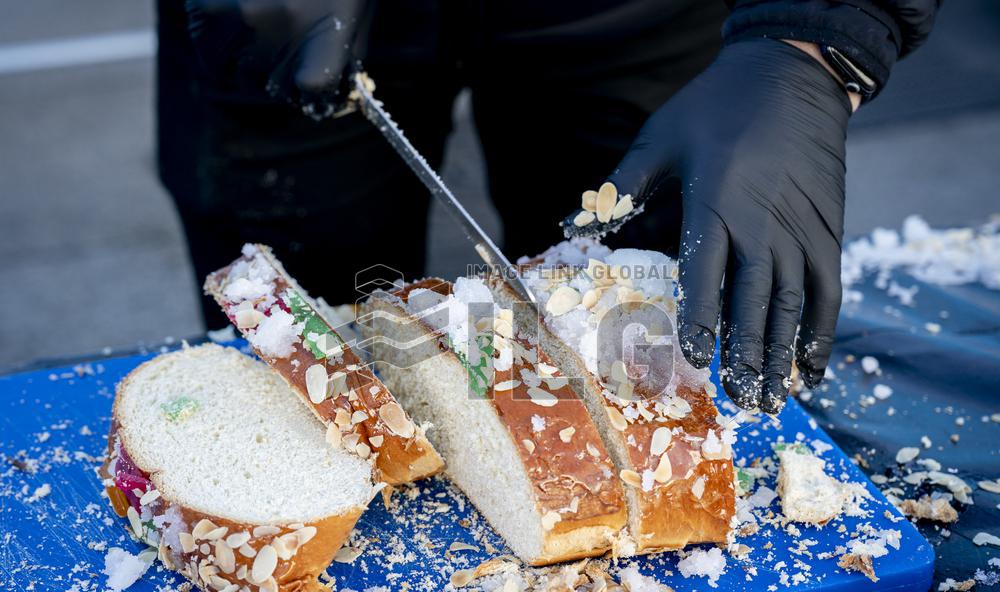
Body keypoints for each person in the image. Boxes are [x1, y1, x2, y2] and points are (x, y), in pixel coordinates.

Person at [157, 0, 939, 414]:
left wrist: (813, 38)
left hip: (630, 18)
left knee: (639, 320)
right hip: (300, 16)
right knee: (297, 319)